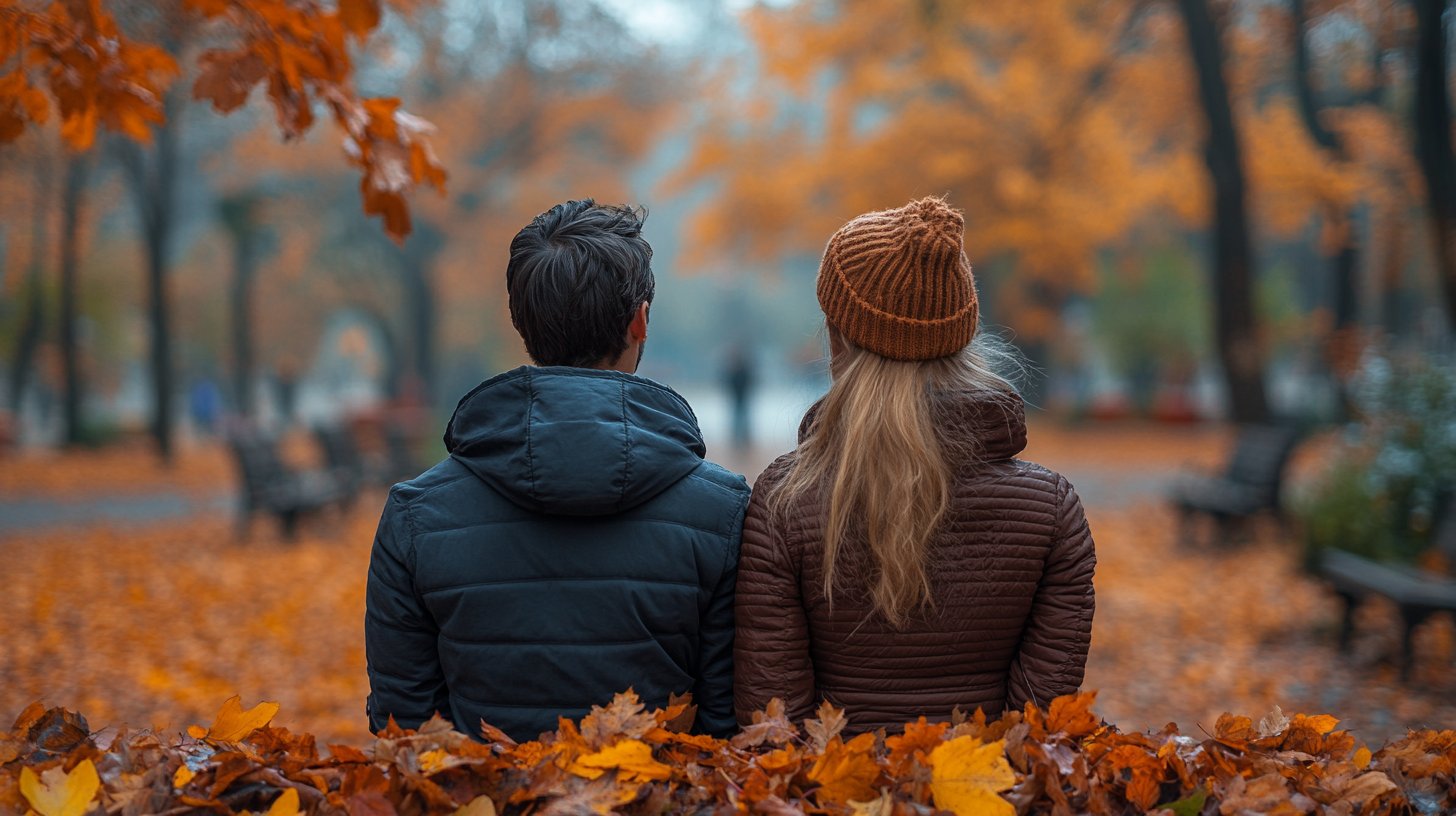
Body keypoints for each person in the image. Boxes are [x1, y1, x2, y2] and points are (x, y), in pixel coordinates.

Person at [365, 200, 750, 741]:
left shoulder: (415, 515)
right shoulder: (723, 510)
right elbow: (727, 726)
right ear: (640, 320)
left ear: (523, 324)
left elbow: (404, 732)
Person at [734, 197, 1096, 733]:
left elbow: (774, 723)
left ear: (837, 338)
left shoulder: (786, 500)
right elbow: (1037, 730)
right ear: (961, 337)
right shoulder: (1051, 511)